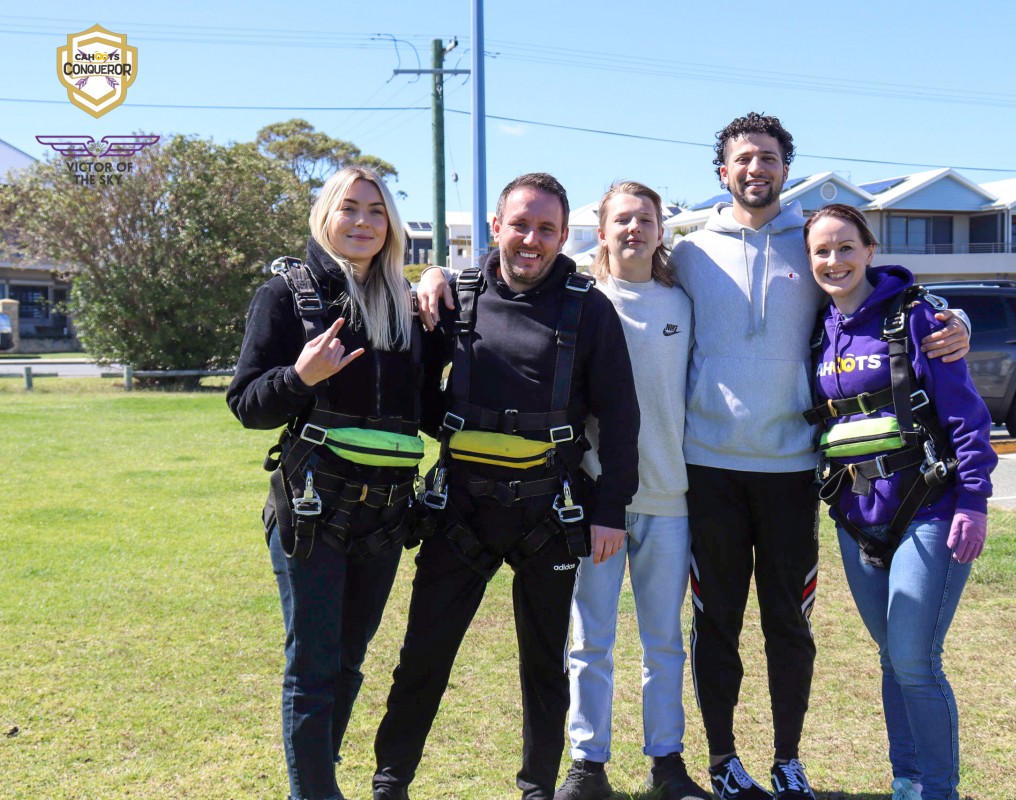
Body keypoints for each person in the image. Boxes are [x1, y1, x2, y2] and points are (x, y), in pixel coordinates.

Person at [668, 112, 971, 800]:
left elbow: (891, 293)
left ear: (785, 167)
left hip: (792, 473)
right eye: (743, 158)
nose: (755, 169)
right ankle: (722, 759)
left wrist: (958, 322)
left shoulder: (811, 245)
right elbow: (618, 280)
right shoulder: (689, 252)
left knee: (789, 625)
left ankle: (787, 759)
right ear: (723, 172)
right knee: (715, 623)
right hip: (708, 467)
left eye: (768, 157)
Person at [372, 172, 640, 800]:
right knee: (423, 656)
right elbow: (411, 391)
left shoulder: (588, 306)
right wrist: (428, 277)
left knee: (545, 665)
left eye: (546, 228)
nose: (531, 240)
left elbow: (622, 417)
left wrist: (610, 512)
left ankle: (536, 789)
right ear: (496, 228)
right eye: (520, 224)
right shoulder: (456, 296)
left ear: (562, 235)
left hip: (549, 512)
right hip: (459, 512)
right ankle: (390, 782)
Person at [228, 166, 435, 800]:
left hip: (385, 513)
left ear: (391, 224)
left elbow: (424, 408)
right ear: (326, 215)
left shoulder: (406, 303)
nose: (364, 222)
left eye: (377, 211)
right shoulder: (288, 296)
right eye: (350, 208)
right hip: (313, 508)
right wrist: (300, 375)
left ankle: (319, 782)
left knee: (347, 663)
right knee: (314, 665)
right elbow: (247, 403)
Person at [803, 203, 996, 800]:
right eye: (820, 251)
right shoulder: (815, 328)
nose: (833, 261)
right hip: (858, 520)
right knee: (891, 658)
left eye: (844, 247)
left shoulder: (915, 319)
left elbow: (963, 411)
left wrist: (974, 500)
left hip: (929, 511)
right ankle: (907, 781)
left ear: (869, 248)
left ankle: (939, 790)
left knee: (915, 658)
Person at [552, 182, 710, 800]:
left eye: (646, 219)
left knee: (663, 640)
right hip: (600, 502)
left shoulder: (683, 300)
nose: (634, 229)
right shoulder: (584, 301)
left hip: (672, 499)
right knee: (590, 639)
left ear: (661, 228)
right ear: (602, 226)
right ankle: (587, 764)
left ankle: (666, 762)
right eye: (623, 219)